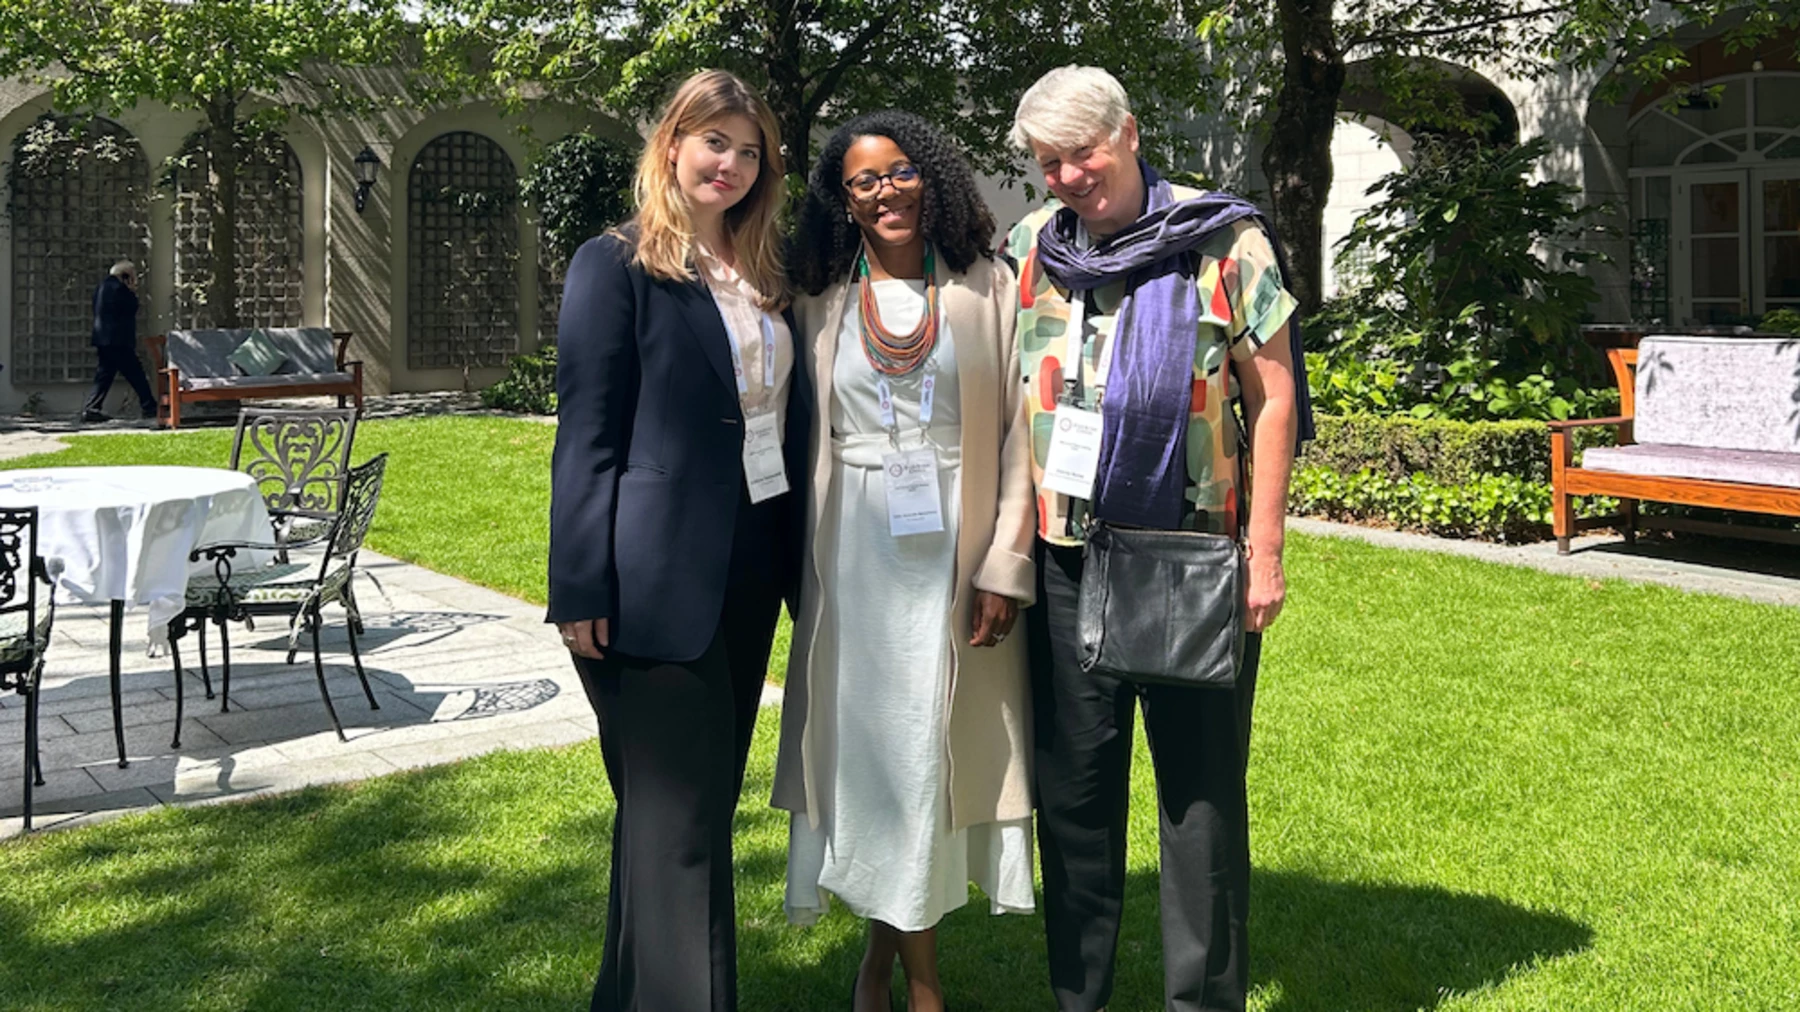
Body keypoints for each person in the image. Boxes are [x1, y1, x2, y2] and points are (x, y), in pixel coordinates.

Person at [1004, 66, 1312, 1012]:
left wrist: (1264, 553)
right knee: (1076, 803)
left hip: (1189, 558)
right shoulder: (1033, 246)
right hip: (1066, 559)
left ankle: (1201, 1000)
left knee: (1201, 801)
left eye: (1081, 153)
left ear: (1129, 134)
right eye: (1049, 162)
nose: (1067, 176)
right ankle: (1079, 998)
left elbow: (1274, 399)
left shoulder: (1224, 241)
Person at [546, 68, 810, 1012]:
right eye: (716, 143)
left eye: (750, 151)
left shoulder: (768, 274)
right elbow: (588, 435)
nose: (732, 165)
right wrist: (579, 588)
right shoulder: (612, 265)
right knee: (680, 831)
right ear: (672, 144)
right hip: (646, 583)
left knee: (668, 828)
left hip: (748, 573)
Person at [772, 110, 1037, 1012]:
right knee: (881, 761)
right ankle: (903, 974)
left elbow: (1020, 436)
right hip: (853, 561)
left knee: (931, 753)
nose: (884, 192)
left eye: (898, 173)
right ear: (840, 200)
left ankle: (899, 975)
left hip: (955, 552)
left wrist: (1007, 559)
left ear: (929, 175)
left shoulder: (986, 284)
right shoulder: (816, 296)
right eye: (862, 181)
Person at [83, 260, 157, 422]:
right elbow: (131, 308)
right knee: (135, 374)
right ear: (125, 276)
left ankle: (92, 408)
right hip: (118, 340)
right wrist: (131, 291)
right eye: (132, 275)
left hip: (104, 339)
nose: (135, 278)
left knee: (105, 375)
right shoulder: (119, 289)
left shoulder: (101, 287)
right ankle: (149, 406)